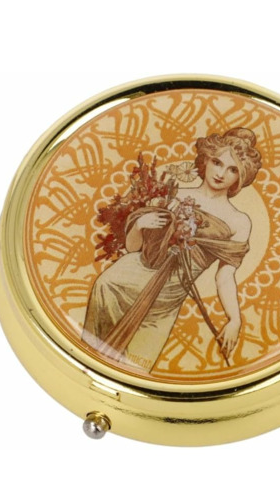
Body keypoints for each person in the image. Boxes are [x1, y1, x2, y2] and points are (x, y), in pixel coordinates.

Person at [82, 127, 262, 372]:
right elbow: (134, 248)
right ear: (205, 160)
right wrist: (139, 225)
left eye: (233, 170)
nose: (221, 174)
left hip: (165, 302)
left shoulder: (239, 221)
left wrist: (234, 318)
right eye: (217, 162)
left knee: (137, 369)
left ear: (242, 176)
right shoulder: (173, 196)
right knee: (94, 357)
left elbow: (225, 275)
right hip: (119, 283)